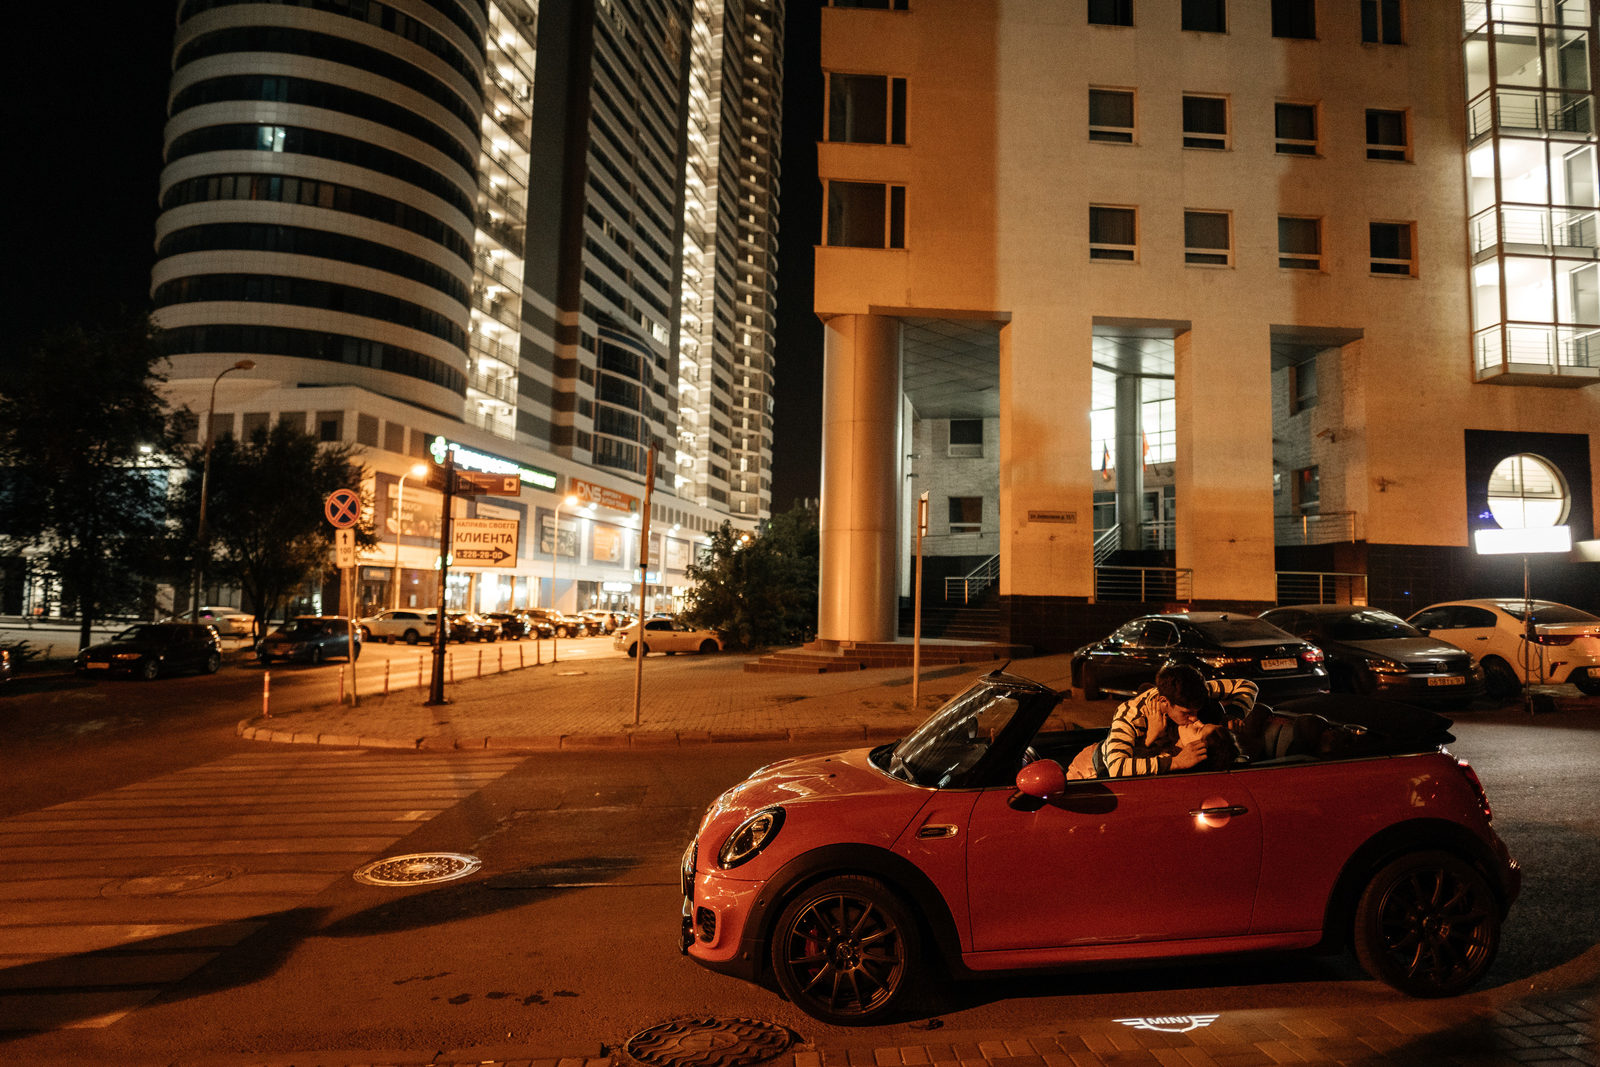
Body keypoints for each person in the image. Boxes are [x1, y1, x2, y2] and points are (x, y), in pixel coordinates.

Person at [1067, 663, 1258, 779]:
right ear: (1164, 701)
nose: (1195, 719)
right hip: (1092, 770)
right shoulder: (1130, 714)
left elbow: (1247, 687)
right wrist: (1175, 762)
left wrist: (1234, 714)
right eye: (1187, 713)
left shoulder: (1193, 693)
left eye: (1197, 711)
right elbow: (1117, 768)